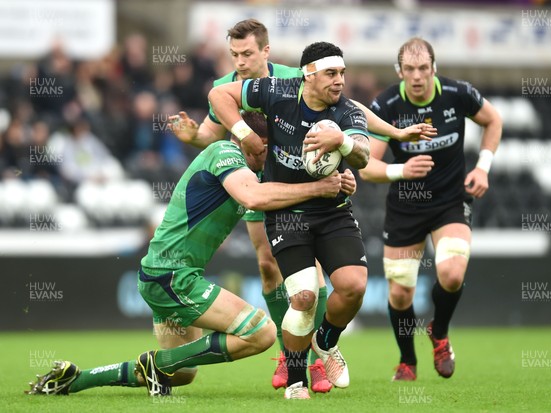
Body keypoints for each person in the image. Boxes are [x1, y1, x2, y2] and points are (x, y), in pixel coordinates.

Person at [168, 18, 434, 393]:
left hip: (319, 192)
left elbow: (352, 108)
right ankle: (290, 354)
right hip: (257, 181)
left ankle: (316, 353)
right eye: (234, 55)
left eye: (246, 53)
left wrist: (389, 133)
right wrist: (197, 136)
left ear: (265, 51)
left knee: (326, 277)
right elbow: (211, 134)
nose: (240, 62)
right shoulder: (230, 87)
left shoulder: (300, 76)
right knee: (271, 269)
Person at [26, 138, 354, 397]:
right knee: (260, 333)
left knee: (181, 373)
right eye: (265, 144)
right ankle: (155, 363)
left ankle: (76, 379)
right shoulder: (225, 154)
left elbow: (281, 195)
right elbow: (254, 197)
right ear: (244, 136)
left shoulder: (253, 172)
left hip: (166, 277)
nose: (270, 152)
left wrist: (339, 183)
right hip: (171, 277)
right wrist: (315, 188)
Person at [207, 41, 373, 400]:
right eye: (331, 73)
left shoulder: (347, 112)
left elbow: (362, 154)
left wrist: (340, 140)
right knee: (304, 298)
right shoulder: (277, 91)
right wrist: (246, 135)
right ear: (308, 75)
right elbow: (219, 94)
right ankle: (297, 380)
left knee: (354, 286)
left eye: (342, 73)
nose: (339, 81)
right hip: (286, 216)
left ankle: (326, 342)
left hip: (333, 212)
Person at [359, 37, 502, 381]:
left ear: (434, 68)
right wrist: (401, 170)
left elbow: (493, 121)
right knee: (400, 290)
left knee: (452, 275)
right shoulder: (387, 104)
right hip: (406, 206)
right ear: (400, 71)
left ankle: (438, 333)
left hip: (449, 201)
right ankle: (407, 360)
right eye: (409, 69)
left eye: (424, 68)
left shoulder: (457, 94)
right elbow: (366, 166)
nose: (417, 75)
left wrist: (483, 166)